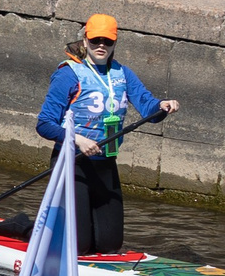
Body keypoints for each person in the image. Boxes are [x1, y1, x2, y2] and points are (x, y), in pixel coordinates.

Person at [26, 13, 179, 256]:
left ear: (114, 43)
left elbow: (149, 107)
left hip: (105, 164)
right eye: (95, 40)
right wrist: (76, 138)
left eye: (107, 41)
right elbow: (44, 124)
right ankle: (30, 228)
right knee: (79, 246)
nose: (101, 46)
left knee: (110, 245)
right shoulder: (68, 74)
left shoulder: (123, 74)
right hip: (72, 164)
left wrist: (162, 106)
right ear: (85, 40)